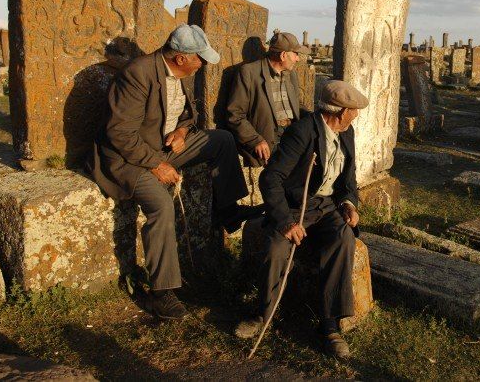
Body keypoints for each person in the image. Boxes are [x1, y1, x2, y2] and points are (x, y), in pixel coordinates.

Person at [88, 24, 250, 320]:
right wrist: (156, 164)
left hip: (164, 147)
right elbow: (120, 134)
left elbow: (189, 115)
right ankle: (161, 293)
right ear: (181, 58)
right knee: (161, 204)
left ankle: (228, 211)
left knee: (223, 140)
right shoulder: (138, 74)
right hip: (128, 159)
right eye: (199, 59)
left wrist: (183, 131)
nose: (202, 65)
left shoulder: (179, 74)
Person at [234, 80, 367, 360]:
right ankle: (263, 313)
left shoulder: (347, 132)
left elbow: (349, 179)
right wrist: (285, 221)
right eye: (353, 111)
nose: (356, 115)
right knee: (277, 246)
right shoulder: (303, 131)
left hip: (328, 206)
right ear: (341, 111)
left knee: (343, 239)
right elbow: (271, 178)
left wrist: (348, 203)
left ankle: (330, 323)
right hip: (296, 206)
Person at [226, 32, 309, 168]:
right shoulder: (249, 73)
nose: (298, 59)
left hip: (292, 135)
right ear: (283, 55)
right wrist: (255, 140)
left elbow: (296, 105)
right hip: (269, 137)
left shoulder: (291, 74)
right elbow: (235, 114)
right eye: (296, 54)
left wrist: (316, 119)